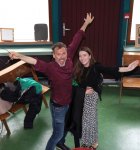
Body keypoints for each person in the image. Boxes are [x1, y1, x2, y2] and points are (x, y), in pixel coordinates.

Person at [8, 13, 94, 150]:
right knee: (57, 133)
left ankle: (61, 142)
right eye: (58, 54)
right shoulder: (50, 68)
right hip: (58, 107)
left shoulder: (70, 58)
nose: (62, 57)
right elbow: (33, 61)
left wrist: (86, 23)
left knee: (65, 126)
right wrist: (18, 55)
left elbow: (77, 38)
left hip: (68, 102)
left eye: (64, 53)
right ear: (53, 56)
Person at [71, 46, 139, 149]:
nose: (82, 58)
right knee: (84, 120)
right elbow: (75, 83)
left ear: (90, 56)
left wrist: (128, 68)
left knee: (90, 120)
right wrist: (82, 90)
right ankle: (85, 141)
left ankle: (94, 142)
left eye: (84, 55)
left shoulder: (96, 67)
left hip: (91, 97)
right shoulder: (78, 68)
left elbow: (110, 69)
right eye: (80, 56)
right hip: (81, 96)